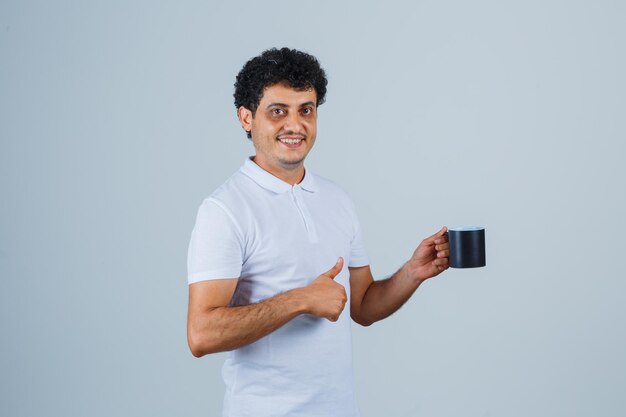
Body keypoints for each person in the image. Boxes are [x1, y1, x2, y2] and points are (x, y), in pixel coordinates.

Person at [186, 47, 450, 417]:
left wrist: (413, 272)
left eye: (305, 110)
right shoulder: (225, 210)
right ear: (246, 118)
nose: (295, 125)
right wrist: (299, 300)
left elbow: (362, 307)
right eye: (278, 111)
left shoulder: (337, 199)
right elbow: (201, 334)